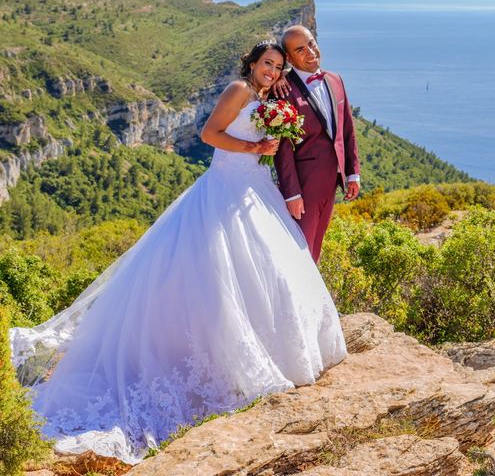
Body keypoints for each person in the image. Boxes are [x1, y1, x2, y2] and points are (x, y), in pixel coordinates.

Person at [9, 41, 347, 464]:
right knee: (216, 275)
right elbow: (209, 134)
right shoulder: (239, 91)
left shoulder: (266, 98)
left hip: (255, 192)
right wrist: (252, 149)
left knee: (269, 270)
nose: (272, 71)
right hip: (223, 189)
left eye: (278, 66)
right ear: (253, 64)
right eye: (267, 63)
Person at [273, 25, 361, 263]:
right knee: (300, 252)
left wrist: (352, 174)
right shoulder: (283, 89)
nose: (310, 52)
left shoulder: (336, 80)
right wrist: (292, 193)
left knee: (316, 249)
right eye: (300, 49)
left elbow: (347, 129)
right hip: (303, 185)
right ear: (289, 58)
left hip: (331, 183)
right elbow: (282, 148)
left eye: (311, 43)